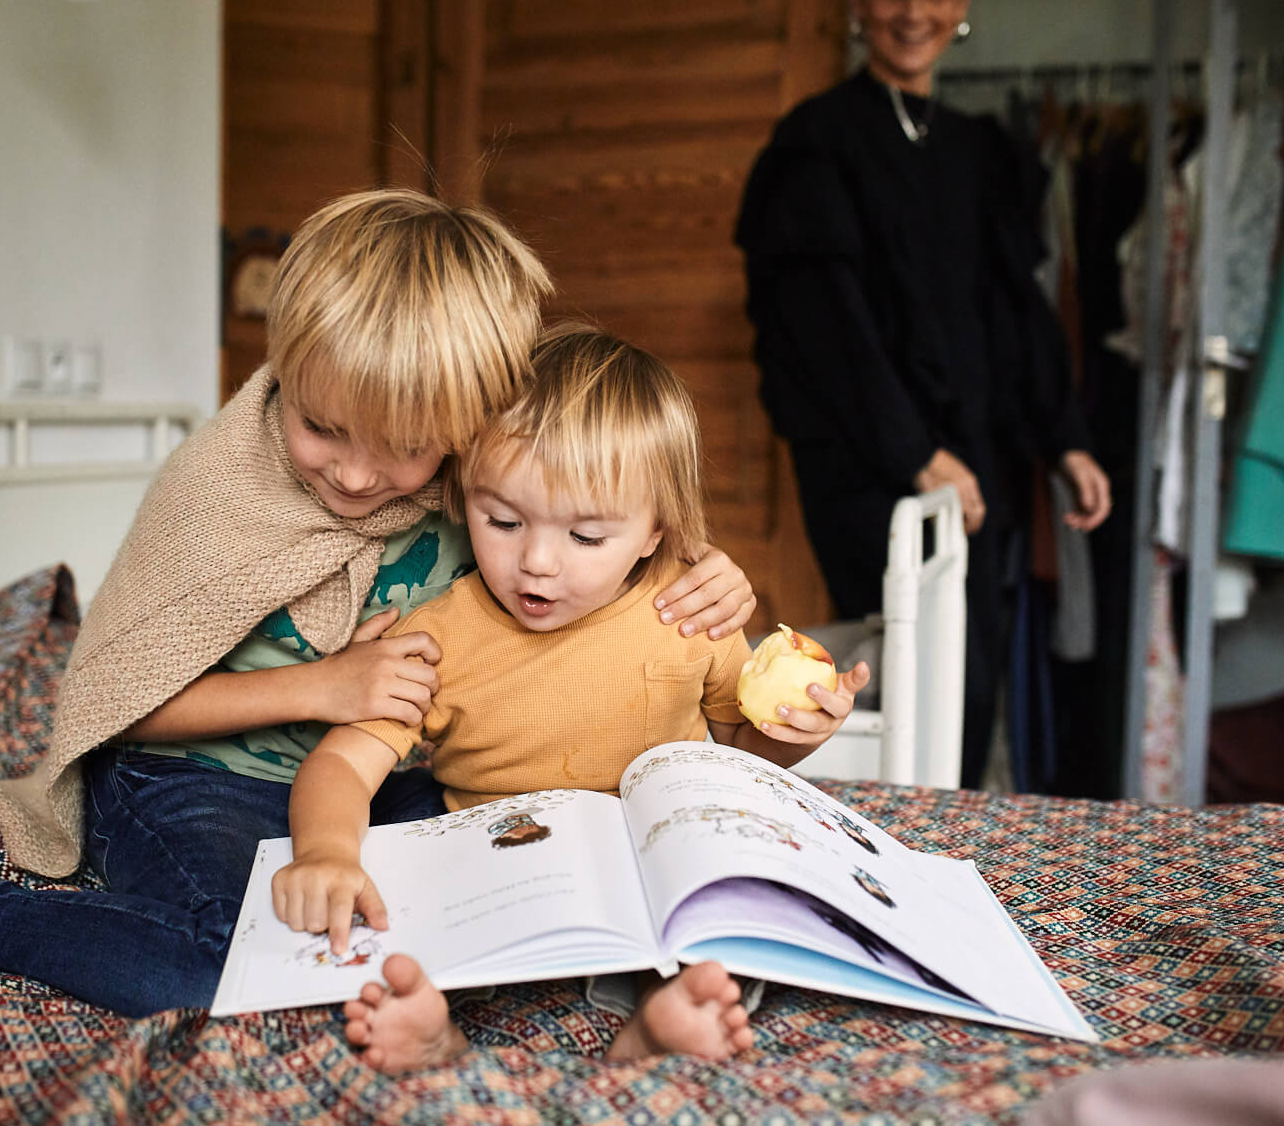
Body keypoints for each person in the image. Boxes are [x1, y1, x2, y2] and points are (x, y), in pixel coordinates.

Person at [0, 191, 760, 1017]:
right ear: (283, 370)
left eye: (405, 448)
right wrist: (325, 684)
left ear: (465, 419)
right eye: (324, 429)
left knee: (481, 910)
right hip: (188, 777)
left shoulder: (472, 473)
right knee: (211, 963)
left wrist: (704, 568)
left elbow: (593, 493)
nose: (361, 478)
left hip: (376, 776)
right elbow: (120, 700)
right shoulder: (216, 491)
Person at [270, 324, 872, 1070]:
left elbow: (740, 759)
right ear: (464, 497)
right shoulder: (439, 636)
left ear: (655, 532)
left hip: (650, 875)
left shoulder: (690, 614)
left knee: (734, 927)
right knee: (405, 937)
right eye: (503, 521)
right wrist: (326, 853)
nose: (537, 564)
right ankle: (437, 1034)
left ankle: (653, 1027)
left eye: (586, 537)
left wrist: (798, 729)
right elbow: (342, 766)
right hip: (503, 878)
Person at [733, 0, 1112, 787]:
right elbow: (823, 330)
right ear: (861, 5)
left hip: (981, 450)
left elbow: (1018, 311)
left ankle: (943, 847)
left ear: (963, 5)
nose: (916, 13)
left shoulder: (985, 151)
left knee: (973, 674)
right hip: (872, 460)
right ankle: (877, 857)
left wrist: (1065, 442)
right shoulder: (815, 144)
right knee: (905, 667)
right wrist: (916, 455)